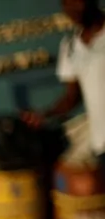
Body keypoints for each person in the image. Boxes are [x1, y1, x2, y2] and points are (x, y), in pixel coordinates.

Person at [21, 0, 105, 170]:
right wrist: (44, 114)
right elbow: (72, 97)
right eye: (65, 4)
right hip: (102, 143)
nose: (71, 9)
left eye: (76, 1)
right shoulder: (70, 47)